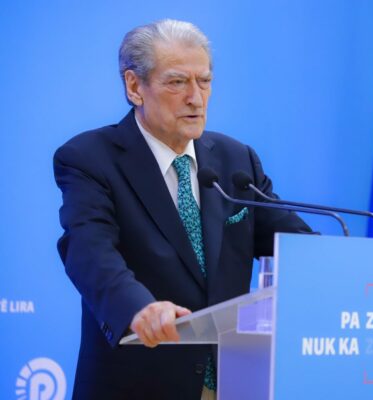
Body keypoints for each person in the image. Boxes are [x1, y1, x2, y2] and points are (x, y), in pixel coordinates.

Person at [53, 19, 312, 400]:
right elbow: (89, 250)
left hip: (234, 383)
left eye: (204, 81)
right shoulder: (90, 158)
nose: (196, 97)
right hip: (140, 384)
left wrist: (340, 270)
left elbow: (294, 245)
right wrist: (138, 309)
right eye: (177, 82)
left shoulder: (236, 160)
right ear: (134, 86)